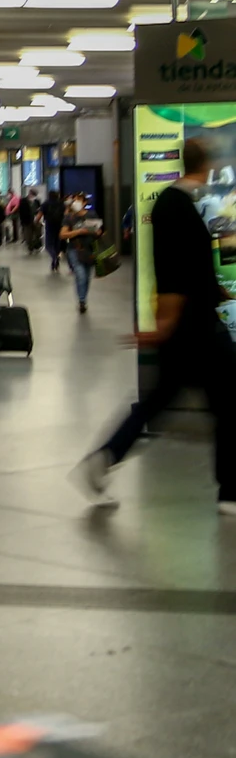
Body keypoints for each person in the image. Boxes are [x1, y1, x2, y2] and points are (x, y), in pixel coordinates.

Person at [74, 138, 236, 514]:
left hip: (190, 323)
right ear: (208, 164)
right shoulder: (175, 206)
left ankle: (106, 457)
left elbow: (186, 267)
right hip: (193, 327)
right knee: (228, 403)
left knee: (161, 400)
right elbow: (173, 271)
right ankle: (229, 490)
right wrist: (165, 320)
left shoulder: (175, 204)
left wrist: (215, 291)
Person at [60, 193, 101, 314]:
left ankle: (83, 297)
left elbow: (98, 231)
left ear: (84, 203)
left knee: (87, 277)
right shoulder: (69, 218)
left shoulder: (92, 215)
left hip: (90, 250)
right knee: (80, 275)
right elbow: (62, 235)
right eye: (74, 200)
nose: (76, 202)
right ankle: (81, 300)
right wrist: (78, 232)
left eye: (79, 200)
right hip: (75, 249)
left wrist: (95, 231)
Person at [40, 184, 65, 273]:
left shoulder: (45, 203)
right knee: (56, 245)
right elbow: (65, 214)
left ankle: (54, 257)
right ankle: (56, 263)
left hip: (49, 225)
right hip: (60, 226)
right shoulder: (61, 203)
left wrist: (36, 222)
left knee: (48, 246)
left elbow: (39, 215)